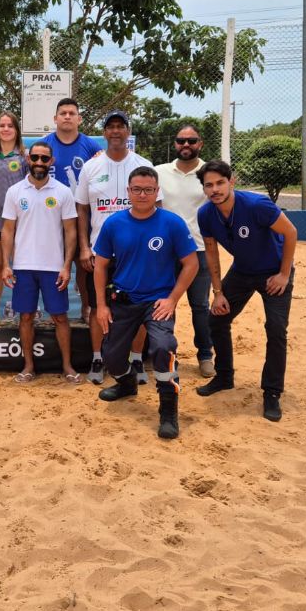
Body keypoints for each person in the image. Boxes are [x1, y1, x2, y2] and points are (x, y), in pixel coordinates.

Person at [93, 166, 198, 439]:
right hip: (123, 302)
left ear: (156, 192)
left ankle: (168, 411)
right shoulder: (113, 224)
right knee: (112, 359)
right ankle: (127, 385)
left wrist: (173, 299)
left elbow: (191, 264)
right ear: (128, 192)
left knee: (164, 348)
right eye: (137, 189)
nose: (142, 194)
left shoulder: (172, 223)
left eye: (148, 190)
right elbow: (100, 266)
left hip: (158, 303)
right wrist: (102, 306)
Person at [194, 160, 298, 422]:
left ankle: (272, 392)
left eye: (220, 182)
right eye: (209, 185)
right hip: (242, 272)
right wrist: (217, 292)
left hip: (274, 273)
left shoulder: (256, 205)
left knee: (275, 329)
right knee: (216, 319)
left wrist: (284, 274)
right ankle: (225, 377)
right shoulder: (206, 214)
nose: (215, 189)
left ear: (232, 181)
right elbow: (211, 251)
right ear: (204, 189)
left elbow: (291, 232)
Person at [74, 110, 159, 384]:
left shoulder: (143, 164)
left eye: (120, 126)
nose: (115, 131)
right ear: (104, 133)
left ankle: (136, 360)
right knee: (100, 307)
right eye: (110, 127)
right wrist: (85, 247)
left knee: (139, 308)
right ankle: (98, 358)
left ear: (128, 131)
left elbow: (156, 208)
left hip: (137, 254)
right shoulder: (91, 167)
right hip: (101, 253)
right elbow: (82, 209)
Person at [0, 141, 81, 383]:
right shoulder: (15, 191)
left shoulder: (63, 192)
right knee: (25, 317)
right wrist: (6, 264)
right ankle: (28, 366)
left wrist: (67, 266)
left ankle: (67, 366)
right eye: (34, 157)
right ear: (28, 159)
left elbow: (71, 232)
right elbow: (7, 230)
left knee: (60, 318)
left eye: (44, 159)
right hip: (23, 267)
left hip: (54, 267)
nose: (38, 162)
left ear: (51, 162)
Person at [157, 124, 215, 377]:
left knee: (200, 306)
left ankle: (205, 356)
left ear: (200, 143)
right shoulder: (159, 172)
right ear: (175, 144)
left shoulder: (208, 173)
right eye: (181, 141)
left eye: (192, 141)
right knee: (162, 304)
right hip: (164, 253)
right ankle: (165, 354)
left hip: (199, 250)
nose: (186, 145)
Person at [40, 97, 101, 322]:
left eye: (71, 113)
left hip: (82, 215)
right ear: (55, 118)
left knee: (84, 266)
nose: (67, 116)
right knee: (55, 265)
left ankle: (87, 308)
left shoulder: (92, 146)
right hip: (53, 216)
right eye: (63, 113)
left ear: (79, 119)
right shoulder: (45, 145)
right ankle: (56, 312)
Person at [0, 111, 29, 327]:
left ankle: (24, 315)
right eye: (2, 125)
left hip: (20, 223)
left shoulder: (25, 157)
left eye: (10, 125)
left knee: (19, 267)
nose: (6, 129)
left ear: (16, 130)